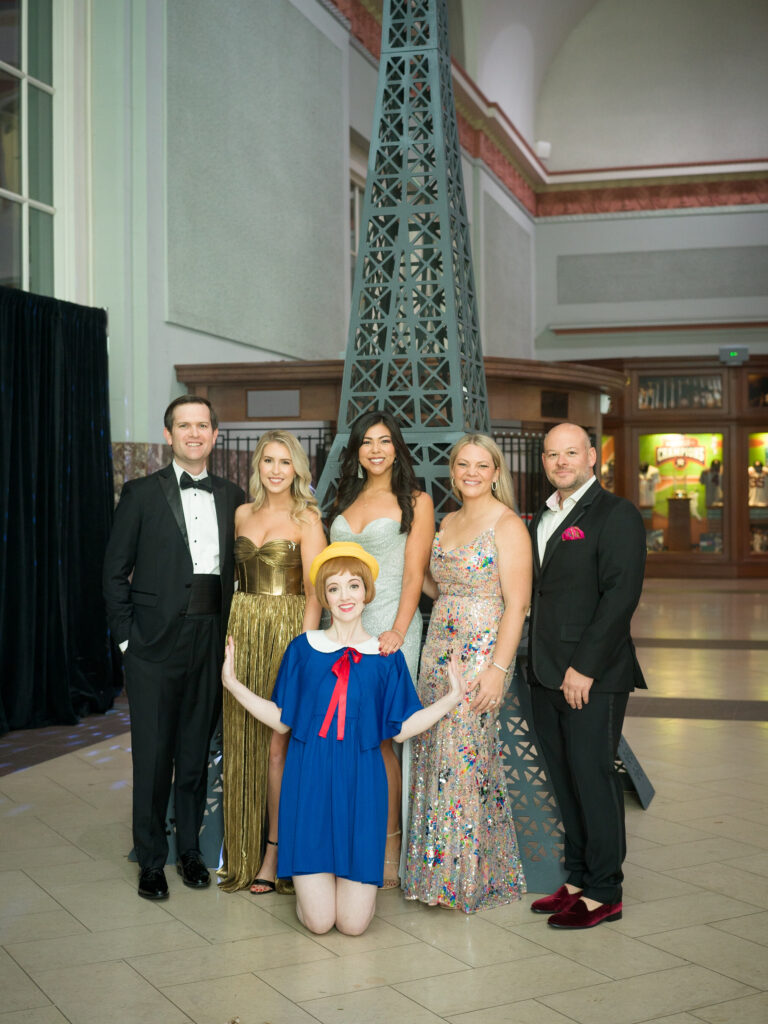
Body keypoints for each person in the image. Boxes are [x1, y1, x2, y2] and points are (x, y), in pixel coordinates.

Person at [221, 542, 465, 935]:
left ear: (367, 592)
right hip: (309, 785)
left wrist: (451, 699)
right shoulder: (302, 649)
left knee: (352, 926)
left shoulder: (387, 656)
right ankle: (315, 889)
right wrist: (233, 685)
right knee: (320, 924)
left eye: (353, 585)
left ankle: (339, 882)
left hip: (361, 788)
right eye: (333, 588)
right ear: (323, 596)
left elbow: (401, 728)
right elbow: (283, 722)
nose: (344, 596)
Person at [103, 395, 245, 900]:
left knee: (192, 755)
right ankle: (149, 859)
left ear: (214, 434)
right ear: (169, 435)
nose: (193, 433)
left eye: (202, 425)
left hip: (210, 637)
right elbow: (114, 572)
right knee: (152, 754)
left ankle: (190, 852)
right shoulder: (141, 492)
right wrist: (126, 640)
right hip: (152, 644)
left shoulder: (233, 494)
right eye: (184, 426)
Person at [403, 434, 531, 913]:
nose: (471, 472)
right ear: (453, 471)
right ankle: (434, 872)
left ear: (496, 472)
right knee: (435, 754)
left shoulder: (508, 524)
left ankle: (466, 880)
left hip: (482, 651)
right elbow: (437, 585)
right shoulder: (449, 520)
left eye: (482, 465)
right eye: (463, 464)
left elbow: (517, 604)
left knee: (466, 759)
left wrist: (498, 669)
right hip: (439, 647)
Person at [528, 422, 646, 929]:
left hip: (591, 675)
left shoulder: (617, 515)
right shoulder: (541, 517)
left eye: (571, 452)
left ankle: (605, 890)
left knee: (594, 778)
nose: (561, 462)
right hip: (542, 671)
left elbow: (620, 599)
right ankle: (577, 878)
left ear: (592, 457)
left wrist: (585, 669)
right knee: (565, 779)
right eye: (552, 454)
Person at [327, 410, 434, 887]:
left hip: (391, 631)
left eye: (385, 440)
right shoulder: (341, 497)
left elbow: (414, 574)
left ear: (397, 448)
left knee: (383, 741)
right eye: (367, 441)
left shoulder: (416, 501)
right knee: (339, 738)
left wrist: (397, 629)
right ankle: (344, 839)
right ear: (356, 449)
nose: (375, 449)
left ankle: (390, 847)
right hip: (341, 631)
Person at [218, 431, 326, 894]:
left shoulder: (308, 518)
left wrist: (302, 648)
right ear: (258, 466)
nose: (277, 470)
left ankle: (273, 853)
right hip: (243, 627)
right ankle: (238, 851)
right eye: (268, 461)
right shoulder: (242, 512)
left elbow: (316, 589)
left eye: (285, 462)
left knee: (278, 746)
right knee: (242, 739)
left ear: (298, 469)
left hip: (288, 632)